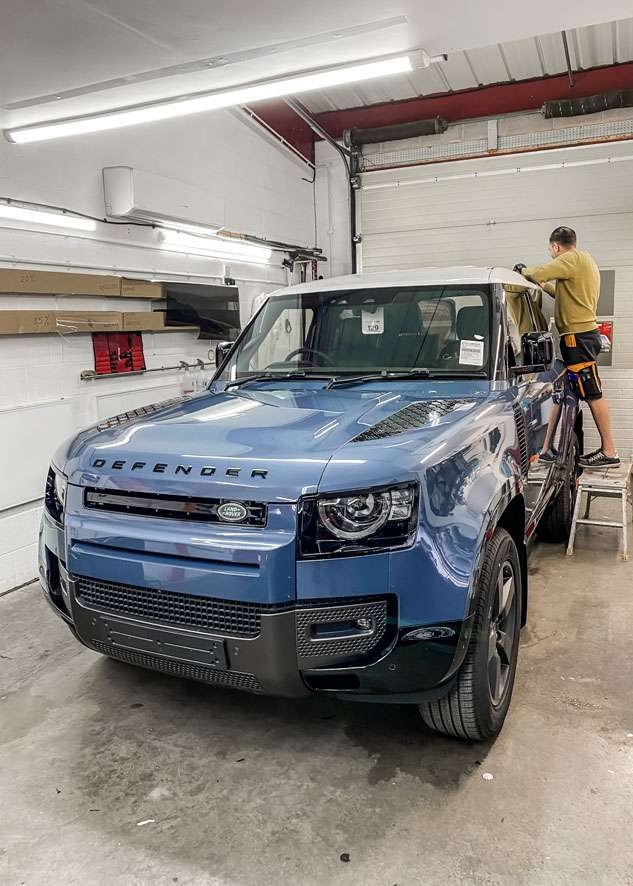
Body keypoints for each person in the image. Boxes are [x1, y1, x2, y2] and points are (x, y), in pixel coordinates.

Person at [514, 226, 619, 470]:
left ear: (556, 246)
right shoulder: (584, 261)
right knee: (565, 391)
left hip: (578, 339)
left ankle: (609, 451)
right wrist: (543, 287)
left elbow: (540, 272)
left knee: (592, 393)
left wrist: (523, 271)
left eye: (551, 250)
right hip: (580, 337)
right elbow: (564, 293)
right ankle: (546, 449)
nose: (552, 253)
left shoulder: (570, 259)